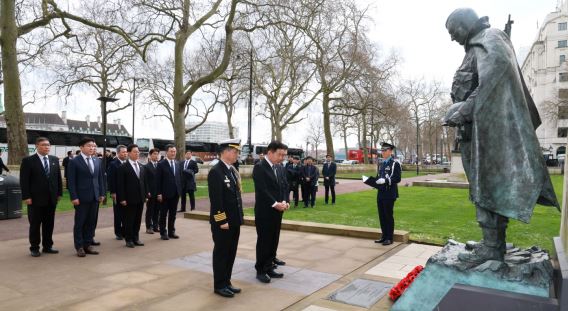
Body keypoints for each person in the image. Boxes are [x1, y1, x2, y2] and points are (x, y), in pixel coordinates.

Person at [443, 8, 558, 263]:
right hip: (475, 133)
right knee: (482, 188)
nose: (452, 38)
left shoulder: (490, 38)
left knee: (487, 187)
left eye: (453, 32)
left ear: (466, 23)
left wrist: (464, 109)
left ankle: (493, 247)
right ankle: (492, 242)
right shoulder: (476, 46)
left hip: (487, 133)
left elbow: (494, 81)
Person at [208, 139, 244, 298]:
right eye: (235, 151)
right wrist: (222, 220)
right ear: (226, 152)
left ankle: (227, 281)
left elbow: (235, 197)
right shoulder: (216, 171)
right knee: (222, 253)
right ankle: (219, 285)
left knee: (231, 253)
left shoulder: (230, 170)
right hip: (223, 223)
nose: (237, 154)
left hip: (234, 221)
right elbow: (216, 200)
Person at [253, 141, 289, 284]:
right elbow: (262, 190)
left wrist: (285, 201)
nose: (282, 158)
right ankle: (260, 270)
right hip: (265, 211)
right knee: (264, 241)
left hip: (278, 210)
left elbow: (285, 186)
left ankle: (269, 266)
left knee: (274, 239)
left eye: (284, 155)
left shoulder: (279, 167)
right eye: (280, 154)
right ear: (270, 153)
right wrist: (275, 204)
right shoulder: (259, 167)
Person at [20, 137, 63, 257]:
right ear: (37, 146)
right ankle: (34, 247)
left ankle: (48, 246)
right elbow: (24, 181)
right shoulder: (28, 161)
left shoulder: (54, 160)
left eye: (48, 145)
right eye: (44, 145)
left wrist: (59, 193)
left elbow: (58, 179)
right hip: (35, 199)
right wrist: (26, 196)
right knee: (35, 224)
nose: (47, 147)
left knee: (49, 224)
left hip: (51, 199)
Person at [67, 137, 105, 257]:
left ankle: (87, 244)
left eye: (94, 146)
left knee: (91, 222)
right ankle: (79, 246)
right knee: (80, 223)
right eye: (89, 146)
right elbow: (71, 182)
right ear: (81, 147)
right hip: (81, 198)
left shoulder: (97, 161)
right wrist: (74, 197)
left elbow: (100, 179)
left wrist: (102, 193)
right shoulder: (74, 161)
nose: (92, 148)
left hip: (95, 197)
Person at [364, 143, 401, 246]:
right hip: (380, 193)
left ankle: (389, 238)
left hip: (389, 194)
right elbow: (378, 177)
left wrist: (385, 180)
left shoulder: (395, 164)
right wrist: (373, 183)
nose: (383, 152)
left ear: (390, 151)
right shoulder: (381, 164)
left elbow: (397, 178)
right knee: (382, 216)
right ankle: (384, 236)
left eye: (385, 150)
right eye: (382, 151)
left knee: (388, 216)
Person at [116, 144, 149, 248]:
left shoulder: (141, 166)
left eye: (138, 152)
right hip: (129, 199)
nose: (137, 153)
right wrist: (122, 198)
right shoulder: (123, 167)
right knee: (129, 220)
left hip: (140, 198)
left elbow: (144, 182)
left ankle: (136, 238)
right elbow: (120, 185)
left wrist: (146, 195)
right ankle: (128, 239)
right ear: (129, 153)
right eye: (135, 152)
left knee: (138, 219)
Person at [156, 144, 182, 240]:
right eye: (171, 151)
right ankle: (163, 232)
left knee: (173, 214)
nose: (173, 153)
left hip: (175, 193)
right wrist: (159, 193)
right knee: (163, 214)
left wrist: (180, 191)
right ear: (167, 152)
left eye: (174, 151)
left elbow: (179, 178)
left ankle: (172, 232)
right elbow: (158, 181)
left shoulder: (177, 163)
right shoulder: (161, 164)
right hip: (164, 194)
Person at [107, 145, 128, 240]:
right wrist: (113, 192)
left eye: (126, 152)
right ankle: (118, 233)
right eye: (123, 152)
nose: (125, 154)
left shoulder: (128, 163)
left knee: (126, 214)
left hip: (127, 193)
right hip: (117, 193)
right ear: (118, 153)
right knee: (118, 214)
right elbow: (111, 179)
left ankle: (125, 231)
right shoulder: (113, 164)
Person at [144, 148, 160, 234]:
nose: (156, 155)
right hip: (150, 193)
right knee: (150, 210)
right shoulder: (146, 167)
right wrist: (147, 192)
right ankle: (148, 227)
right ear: (150, 155)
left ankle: (155, 226)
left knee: (157, 210)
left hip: (159, 193)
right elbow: (145, 181)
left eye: (157, 154)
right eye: (154, 154)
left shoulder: (160, 165)